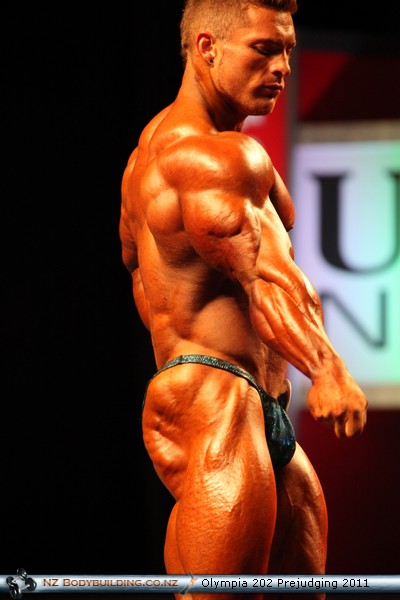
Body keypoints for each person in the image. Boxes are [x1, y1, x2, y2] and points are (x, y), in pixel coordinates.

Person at [119, 0, 368, 597]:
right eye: (263, 49)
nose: (282, 67)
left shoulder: (148, 156)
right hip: (219, 400)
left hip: (251, 405)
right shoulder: (211, 158)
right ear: (207, 48)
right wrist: (327, 368)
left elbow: (145, 278)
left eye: (288, 51)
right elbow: (267, 278)